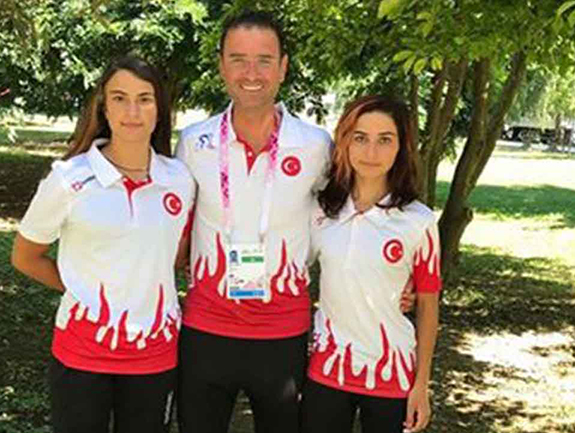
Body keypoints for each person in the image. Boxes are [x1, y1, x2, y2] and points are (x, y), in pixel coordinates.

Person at [11, 56, 195, 433]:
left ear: (159, 108)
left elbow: (176, 256)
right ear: (103, 107)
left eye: (144, 99)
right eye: (119, 98)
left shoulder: (180, 180)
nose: (132, 112)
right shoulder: (69, 179)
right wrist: (84, 289)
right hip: (82, 352)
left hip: (154, 353)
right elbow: (26, 257)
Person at [174, 10, 332, 433]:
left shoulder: (316, 146)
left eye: (264, 60)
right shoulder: (193, 142)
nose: (251, 73)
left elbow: (344, 218)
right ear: (222, 65)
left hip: (283, 330)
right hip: (206, 327)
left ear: (283, 67)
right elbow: (173, 223)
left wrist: (391, 280)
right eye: (238, 59)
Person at [301, 95, 441, 433]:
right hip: (327, 369)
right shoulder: (320, 210)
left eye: (385, 140)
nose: (371, 152)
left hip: (392, 374)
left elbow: (428, 305)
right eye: (360, 138)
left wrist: (421, 385)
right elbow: (291, 270)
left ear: (401, 148)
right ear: (345, 142)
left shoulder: (418, 221)